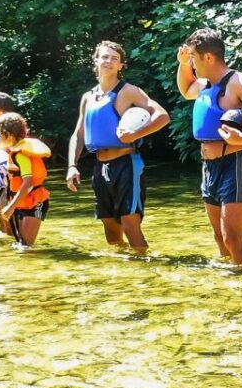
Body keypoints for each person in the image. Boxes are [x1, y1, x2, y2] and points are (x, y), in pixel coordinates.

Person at [177, 28, 242, 264]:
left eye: (193, 57)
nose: (192, 62)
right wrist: (183, 64)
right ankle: (231, 282)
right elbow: (185, 90)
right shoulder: (205, 84)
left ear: (209, 57)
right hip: (209, 166)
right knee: (219, 238)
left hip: (235, 162)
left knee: (232, 238)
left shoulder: (237, 82)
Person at [66, 41, 170, 253]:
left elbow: (162, 116)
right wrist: (72, 165)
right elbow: (78, 134)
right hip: (100, 167)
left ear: (121, 65)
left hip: (126, 163)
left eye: (115, 59)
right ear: (95, 61)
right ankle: (124, 272)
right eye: (104, 57)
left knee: (130, 224)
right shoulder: (88, 97)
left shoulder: (128, 91)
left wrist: (136, 134)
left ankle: (145, 267)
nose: (109, 61)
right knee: (110, 229)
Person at [0, 112, 50, 247]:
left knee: (26, 246)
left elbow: (28, 183)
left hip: (35, 202)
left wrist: (10, 207)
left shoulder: (20, 155)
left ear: (7, 134)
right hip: (23, 202)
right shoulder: (15, 152)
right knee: (22, 244)